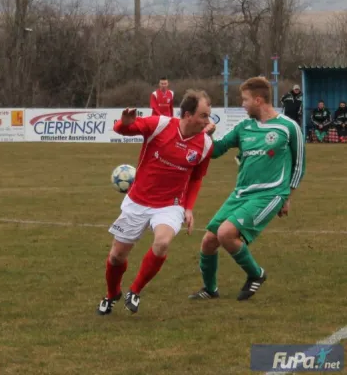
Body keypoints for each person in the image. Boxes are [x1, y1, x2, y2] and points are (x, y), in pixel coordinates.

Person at [96, 89, 214, 316]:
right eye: (203, 115)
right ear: (188, 115)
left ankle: (135, 290)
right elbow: (126, 129)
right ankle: (112, 294)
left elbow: (197, 177)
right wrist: (123, 123)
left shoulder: (206, 145)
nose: (207, 121)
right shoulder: (160, 124)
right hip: (138, 201)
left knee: (162, 243)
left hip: (170, 204)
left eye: (208, 116)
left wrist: (188, 207)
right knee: (116, 256)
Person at [189, 77, 305, 301]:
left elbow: (299, 166)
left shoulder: (289, 127)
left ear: (258, 100)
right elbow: (217, 150)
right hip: (241, 193)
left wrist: (287, 197)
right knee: (209, 241)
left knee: (226, 233)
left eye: (245, 100)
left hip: (270, 193)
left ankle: (256, 274)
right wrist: (206, 135)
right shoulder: (244, 127)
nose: (242, 105)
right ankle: (210, 289)